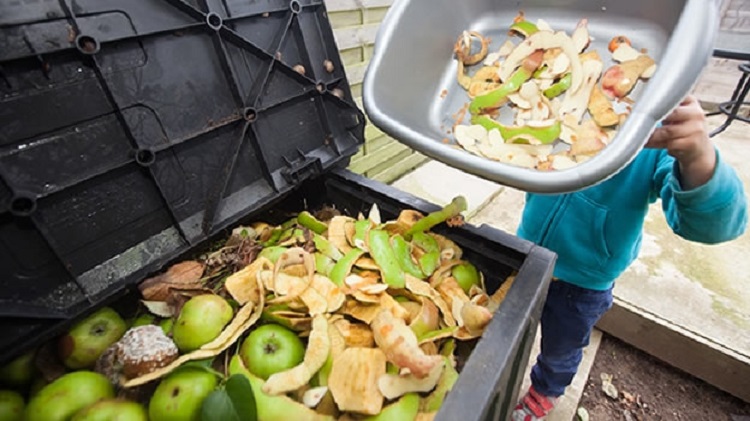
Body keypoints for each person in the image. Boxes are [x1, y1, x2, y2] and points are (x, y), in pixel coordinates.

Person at [511, 94, 748, 421]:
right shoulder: (565, 99)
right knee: (511, 327)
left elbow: (715, 226)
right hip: (527, 252)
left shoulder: (655, 129)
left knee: (561, 349)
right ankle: (505, 371)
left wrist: (697, 156)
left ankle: (546, 391)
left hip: (583, 284)